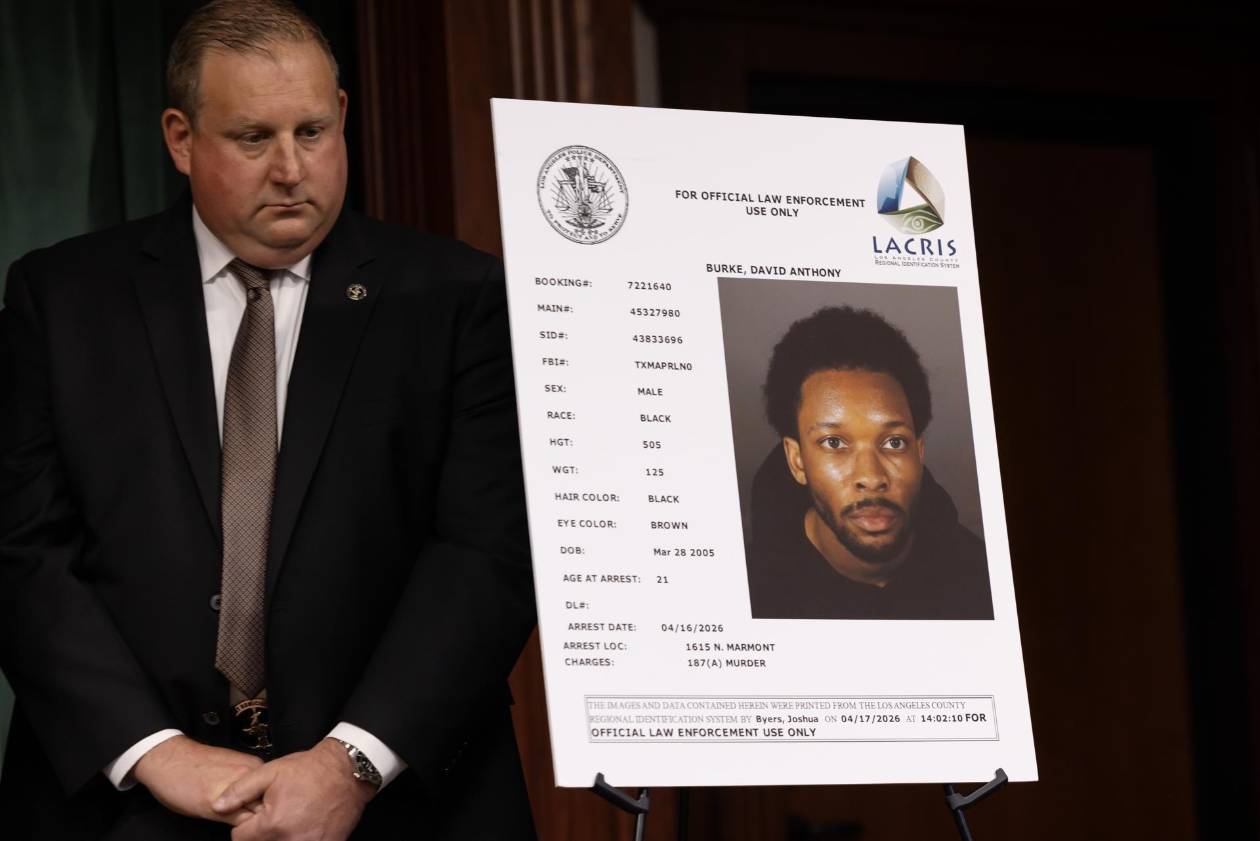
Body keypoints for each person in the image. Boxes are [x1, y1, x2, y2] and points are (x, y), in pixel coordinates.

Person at [0, 2, 536, 838]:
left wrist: (351, 762)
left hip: (396, 807)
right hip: (123, 806)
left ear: (343, 116)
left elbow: (488, 553)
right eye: (254, 138)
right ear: (181, 139)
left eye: (313, 132)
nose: (292, 169)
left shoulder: (459, 298)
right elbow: (22, 550)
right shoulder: (61, 298)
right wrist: (155, 751)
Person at [745, 305, 993, 620]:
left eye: (894, 442)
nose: (871, 477)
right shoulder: (749, 595)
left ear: (918, 453)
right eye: (834, 443)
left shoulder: (984, 580)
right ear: (797, 462)